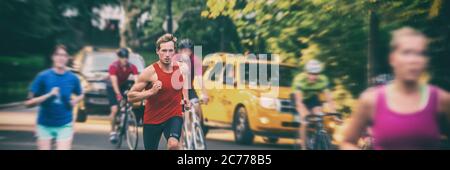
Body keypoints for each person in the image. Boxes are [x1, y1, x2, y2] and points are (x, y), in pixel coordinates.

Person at [341, 27, 450, 150]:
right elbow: (347, 142)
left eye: (420, 54)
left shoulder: (442, 100)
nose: (413, 60)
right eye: (406, 52)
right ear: (392, 58)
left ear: (426, 61)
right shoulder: (370, 100)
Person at [127, 34, 190, 150]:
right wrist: (151, 92)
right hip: (152, 118)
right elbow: (130, 96)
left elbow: (184, 83)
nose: (167, 55)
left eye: (170, 51)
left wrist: (186, 98)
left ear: (174, 52)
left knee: (174, 145)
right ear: (157, 51)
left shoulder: (182, 68)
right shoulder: (149, 72)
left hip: (173, 115)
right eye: (164, 50)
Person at [25, 45, 84, 150]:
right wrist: (49, 95)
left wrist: (75, 100)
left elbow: (81, 94)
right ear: (53, 57)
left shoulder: (72, 78)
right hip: (45, 124)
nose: (61, 58)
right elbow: (28, 103)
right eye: (58, 55)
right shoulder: (43, 76)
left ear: (67, 58)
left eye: (64, 55)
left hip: (65, 123)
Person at [291, 59, 336, 150]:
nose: (313, 77)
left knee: (318, 116)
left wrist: (335, 113)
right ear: (306, 72)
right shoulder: (299, 79)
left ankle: (316, 137)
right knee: (305, 121)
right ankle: (303, 146)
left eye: (316, 74)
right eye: (310, 74)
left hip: (312, 98)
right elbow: (299, 102)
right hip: (299, 99)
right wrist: (305, 114)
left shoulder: (323, 80)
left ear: (319, 74)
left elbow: (329, 99)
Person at [107, 48, 139, 144]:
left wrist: (137, 92)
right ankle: (113, 131)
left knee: (128, 101)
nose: (124, 59)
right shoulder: (113, 66)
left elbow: (137, 81)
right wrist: (118, 94)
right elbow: (114, 82)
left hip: (123, 85)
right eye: (122, 57)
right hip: (112, 87)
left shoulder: (132, 67)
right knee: (114, 109)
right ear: (119, 58)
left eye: (126, 57)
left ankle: (125, 116)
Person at [174, 39, 209, 118]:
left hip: (189, 88)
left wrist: (204, 94)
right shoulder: (174, 60)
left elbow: (200, 77)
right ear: (179, 51)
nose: (187, 53)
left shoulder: (195, 59)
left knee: (196, 107)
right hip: (175, 90)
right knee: (179, 115)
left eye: (189, 51)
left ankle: (196, 126)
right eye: (184, 50)